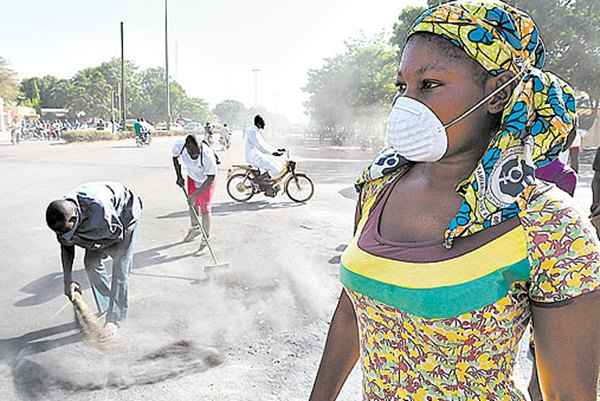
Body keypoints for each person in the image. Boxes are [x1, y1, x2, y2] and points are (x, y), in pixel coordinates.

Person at [309, 2, 600, 401]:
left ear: (497, 94)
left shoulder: (549, 225)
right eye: (402, 88)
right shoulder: (378, 186)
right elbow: (353, 310)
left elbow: (570, 394)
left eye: (429, 84)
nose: (406, 104)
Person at [45, 182, 142, 339]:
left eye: (67, 231)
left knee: (120, 266)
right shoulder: (62, 216)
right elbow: (66, 245)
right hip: (99, 223)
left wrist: (89, 244)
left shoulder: (100, 211)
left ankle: (115, 318)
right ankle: (106, 305)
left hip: (125, 216)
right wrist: (67, 280)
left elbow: (117, 238)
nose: (63, 235)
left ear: (75, 219)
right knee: (91, 262)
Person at [172, 135, 217, 249]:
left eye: (197, 154)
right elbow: (175, 158)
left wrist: (195, 194)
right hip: (192, 177)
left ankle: (206, 237)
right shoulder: (179, 145)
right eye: (192, 154)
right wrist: (179, 176)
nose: (194, 156)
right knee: (192, 204)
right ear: (186, 147)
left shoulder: (207, 155)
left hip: (206, 180)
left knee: (205, 208)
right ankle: (195, 228)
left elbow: (211, 177)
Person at [244, 115, 285, 191]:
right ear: (259, 123)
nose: (264, 124)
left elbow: (264, 144)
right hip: (253, 157)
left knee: (276, 164)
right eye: (263, 122)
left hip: (257, 155)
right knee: (274, 169)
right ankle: (257, 182)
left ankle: (267, 184)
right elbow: (260, 146)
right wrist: (272, 153)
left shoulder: (255, 131)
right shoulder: (253, 132)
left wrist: (276, 150)